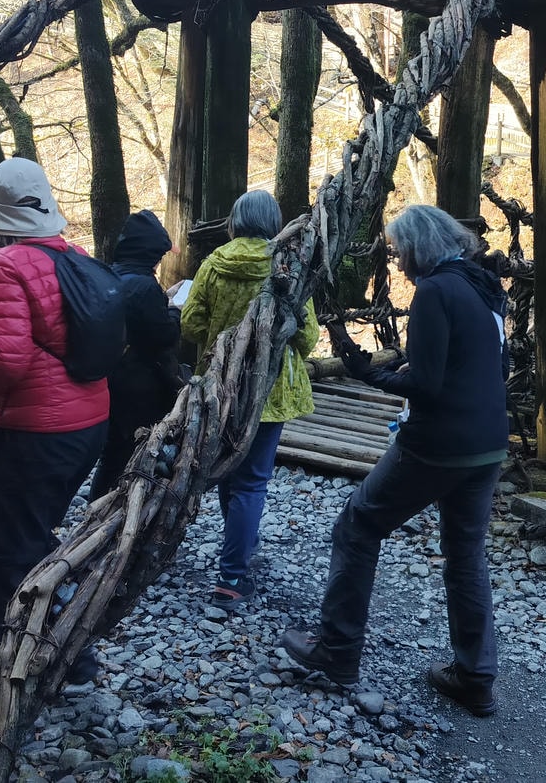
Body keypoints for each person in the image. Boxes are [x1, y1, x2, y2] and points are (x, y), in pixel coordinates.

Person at [280, 204, 509, 717]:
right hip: (490, 443)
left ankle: (337, 650)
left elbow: (425, 385)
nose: (398, 264)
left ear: (420, 247)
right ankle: (475, 676)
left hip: (438, 443)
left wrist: (367, 374)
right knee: (466, 556)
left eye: (400, 252)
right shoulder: (483, 286)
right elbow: (477, 364)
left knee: (358, 525)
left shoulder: (434, 292)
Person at [0, 157, 109, 663]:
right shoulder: (74, 255)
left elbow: (7, 365)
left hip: (41, 429)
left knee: (2, 555)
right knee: (39, 533)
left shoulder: (5, 264)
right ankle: (66, 646)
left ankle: (4, 664)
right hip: (90, 420)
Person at [180, 189, 319, 612]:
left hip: (221, 384)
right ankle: (233, 575)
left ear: (234, 221)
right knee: (253, 480)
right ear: (274, 220)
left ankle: (238, 553)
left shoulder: (213, 263)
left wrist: (219, 334)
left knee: (226, 471)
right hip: (269, 391)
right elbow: (307, 335)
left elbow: (190, 322)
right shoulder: (287, 265)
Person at [88, 210, 182, 501]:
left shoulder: (108, 275)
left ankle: (98, 505)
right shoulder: (144, 285)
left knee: (112, 452)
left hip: (109, 379)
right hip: (139, 385)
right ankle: (122, 507)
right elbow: (162, 336)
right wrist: (175, 309)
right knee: (134, 449)